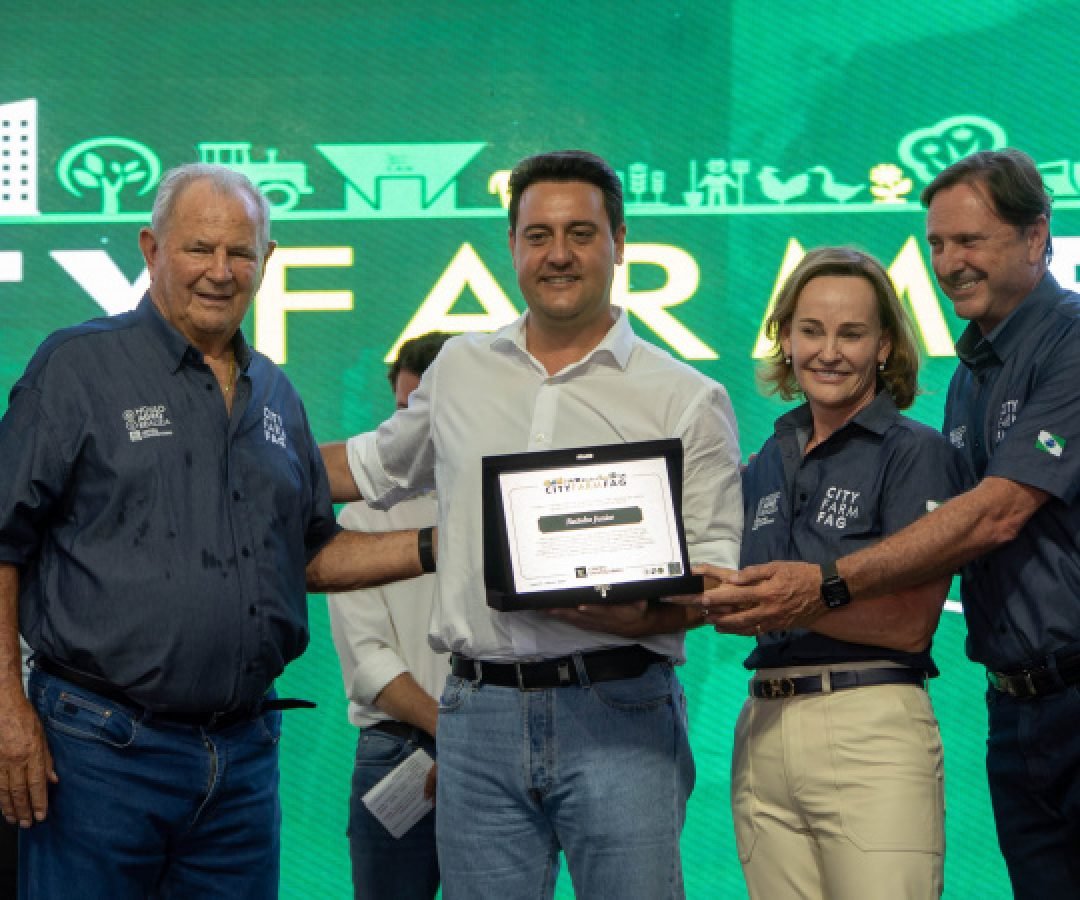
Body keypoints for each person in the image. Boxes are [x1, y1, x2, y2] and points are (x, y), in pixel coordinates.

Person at [321, 149, 744, 900]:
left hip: (620, 708)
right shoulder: (458, 368)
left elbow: (714, 579)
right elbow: (363, 468)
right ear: (511, 245)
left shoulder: (687, 396)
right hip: (476, 712)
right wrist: (225, 451)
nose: (558, 254)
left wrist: (634, 611)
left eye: (581, 233)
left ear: (620, 240)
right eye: (537, 234)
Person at [0, 163, 429, 900]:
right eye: (200, 248)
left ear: (268, 262)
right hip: (96, 752)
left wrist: (439, 546)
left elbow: (308, 553)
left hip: (242, 761)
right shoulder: (78, 367)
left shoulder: (276, 391)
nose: (220, 272)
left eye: (242, 253)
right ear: (151, 249)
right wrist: (7, 714)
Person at [699, 149, 1080, 898]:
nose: (949, 262)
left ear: (1037, 238)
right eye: (937, 243)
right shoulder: (971, 376)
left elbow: (1000, 513)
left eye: (971, 241)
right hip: (1017, 703)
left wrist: (825, 585)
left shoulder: (1068, 341)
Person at [705, 247, 959, 898]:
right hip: (761, 729)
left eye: (852, 333)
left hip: (869, 724)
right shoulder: (765, 460)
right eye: (811, 330)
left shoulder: (916, 453)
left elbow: (909, 625)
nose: (829, 351)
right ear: (784, 339)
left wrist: (788, 603)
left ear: (884, 347)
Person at [328, 331, 452, 900]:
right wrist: (459, 735)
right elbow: (368, 664)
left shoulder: (510, 501)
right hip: (399, 750)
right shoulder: (359, 516)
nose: (417, 433)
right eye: (405, 413)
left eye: (434, 414)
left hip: (505, 750)